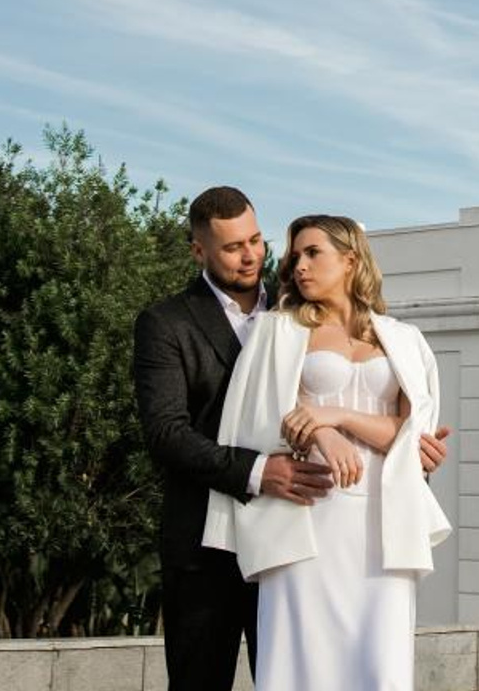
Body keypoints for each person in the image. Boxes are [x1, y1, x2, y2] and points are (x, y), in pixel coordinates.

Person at [134, 188, 448, 691]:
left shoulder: (319, 320)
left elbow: (408, 424)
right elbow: (167, 433)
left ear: (350, 260)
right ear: (199, 251)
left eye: (257, 240)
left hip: (346, 521)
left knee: (367, 666)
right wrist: (266, 468)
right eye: (234, 247)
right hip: (224, 531)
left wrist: (417, 454)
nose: (254, 255)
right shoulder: (174, 324)